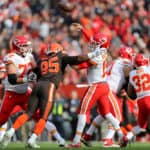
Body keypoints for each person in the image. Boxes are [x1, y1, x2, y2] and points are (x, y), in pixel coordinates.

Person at [2, 42, 104, 148]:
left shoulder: (41, 60)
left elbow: (33, 74)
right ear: (58, 51)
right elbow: (77, 59)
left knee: (28, 113)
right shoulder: (61, 56)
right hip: (49, 87)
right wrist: (94, 54)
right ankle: (32, 139)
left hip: (37, 86)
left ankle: (11, 131)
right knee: (43, 117)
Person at [67, 23, 125, 148]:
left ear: (101, 45)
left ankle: (76, 141)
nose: (92, 43)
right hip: (104, 86)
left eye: (95, 43)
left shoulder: (98, 55)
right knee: (106, 114)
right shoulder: (101, 50)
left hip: (96, 86)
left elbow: (80, 66)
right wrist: (83, 30)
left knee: (83, 110)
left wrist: (67, 61)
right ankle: (121, 135)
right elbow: (91, 39)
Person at [80, 46, 136, 147]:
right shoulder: (125, 62)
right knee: (117, 117)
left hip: (104, 88)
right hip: (110, 90)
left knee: (103, 115)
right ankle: (108, 140)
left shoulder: (114, 62)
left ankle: (87, 136)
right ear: (127, 55)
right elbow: (127, 72)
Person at [120, 53, 150, 147]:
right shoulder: (148, 70)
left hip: (140, 101)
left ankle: (126, 138)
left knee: (140, 126)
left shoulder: (132, 74)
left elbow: (131, 94)